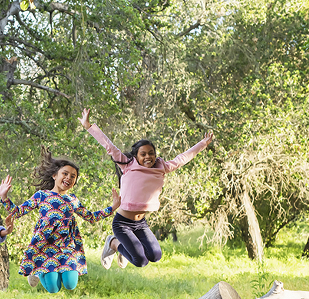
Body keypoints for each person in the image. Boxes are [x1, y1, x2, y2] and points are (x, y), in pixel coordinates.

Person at [79, 108, 214, 269]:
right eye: (143, 154)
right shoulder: (127, 165)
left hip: (140, 223)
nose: (148, 157)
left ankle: (124, 250)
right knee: (140, 261)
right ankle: (113, 243)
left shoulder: (162, 167)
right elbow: (109, 146)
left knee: (155, 256)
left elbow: (182, 158)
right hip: (122, 223)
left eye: (151, 153)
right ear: (136, 156)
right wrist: (88, 126)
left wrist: (202, 144)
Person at [0, 146, 120, 293]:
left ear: (75, 181)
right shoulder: (41, 195)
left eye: (73, 176)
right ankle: (37, 271)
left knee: (70, 284)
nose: (68, 177)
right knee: (53, 289)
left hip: (67, 247)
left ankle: (42, 271)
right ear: (55, 175)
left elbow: (90, 217)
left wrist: (112, 208)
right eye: (65, 173)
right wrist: (4, 197)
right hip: (45, 247)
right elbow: (17, 212)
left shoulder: (72, 199)